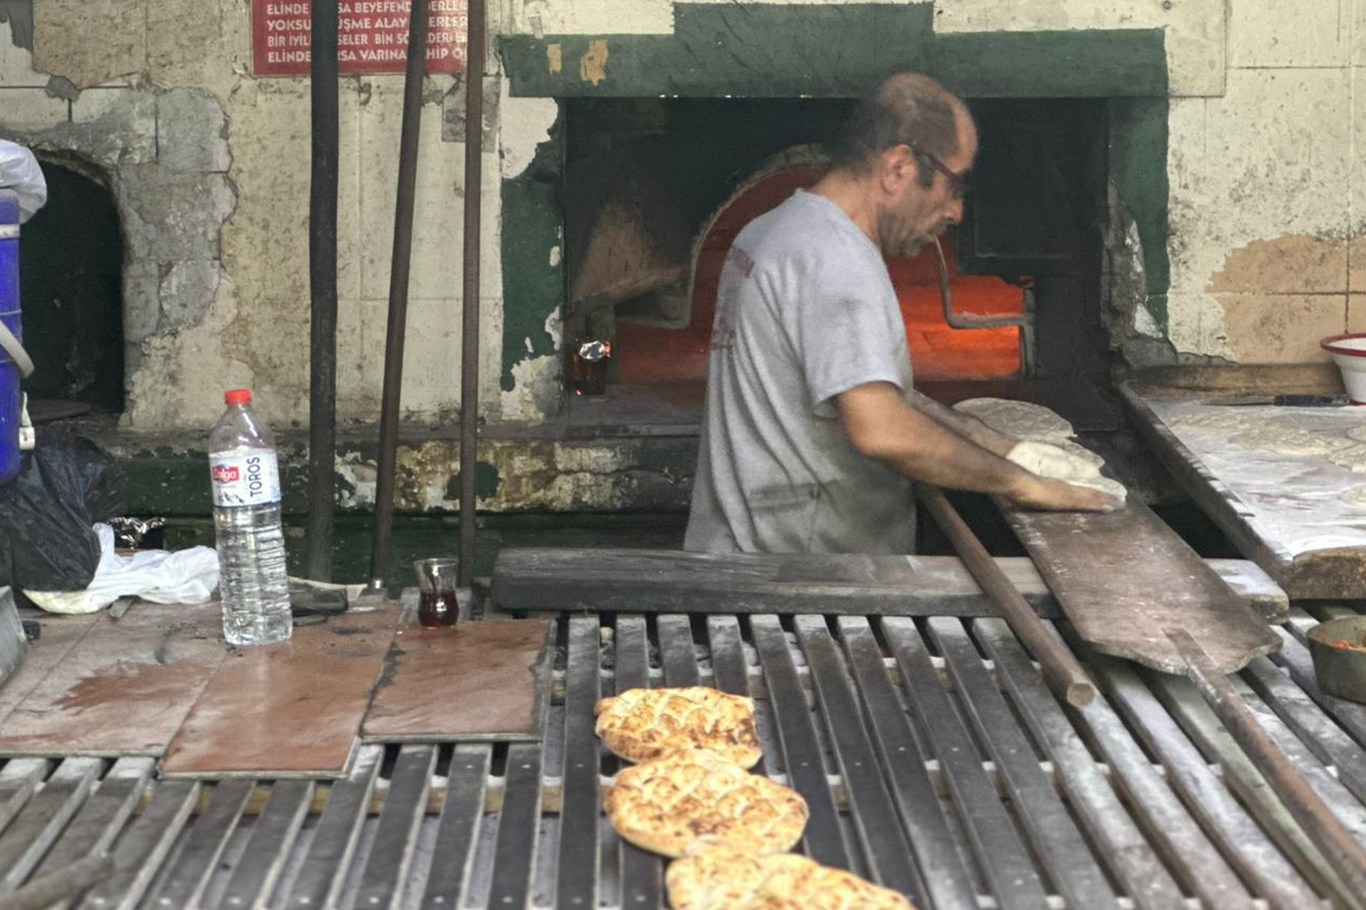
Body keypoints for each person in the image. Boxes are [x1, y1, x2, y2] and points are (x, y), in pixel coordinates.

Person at [684, 72, 1116, 556]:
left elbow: (877, 395)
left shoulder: (774, 229)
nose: (956, 212)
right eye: (955, 185)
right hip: (806, 577)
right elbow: (883, 430)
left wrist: (1005, 448)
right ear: (898, 168)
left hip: (744, 555)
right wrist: (1024, 485)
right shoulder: (837, 260)